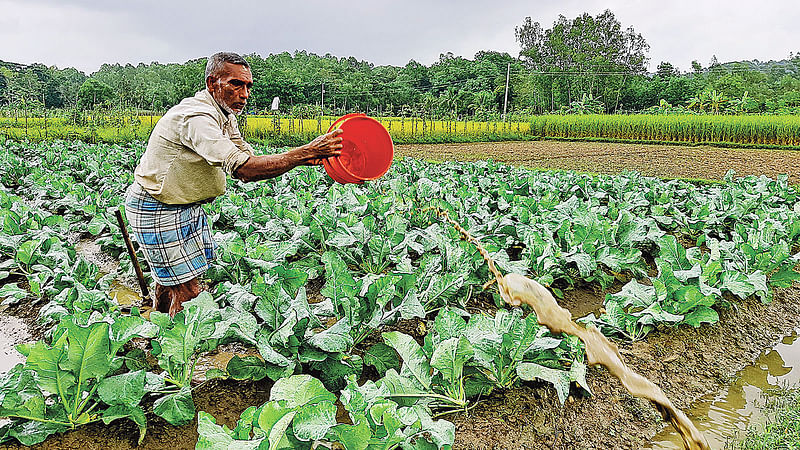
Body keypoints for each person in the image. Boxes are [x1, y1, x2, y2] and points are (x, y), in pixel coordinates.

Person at [125, 51, 342, 316]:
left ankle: (155, 328)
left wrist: (299, 158)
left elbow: (246, 156)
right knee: (190, 293)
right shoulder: (198, 119)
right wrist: (304, 152)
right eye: (236, 84)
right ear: (211, 83)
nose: (245, 94)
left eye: (248, 86)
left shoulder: (224, 114)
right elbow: (244, 170)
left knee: (170, 280)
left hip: (185, 205)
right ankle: (178, 352)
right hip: (158, 207)